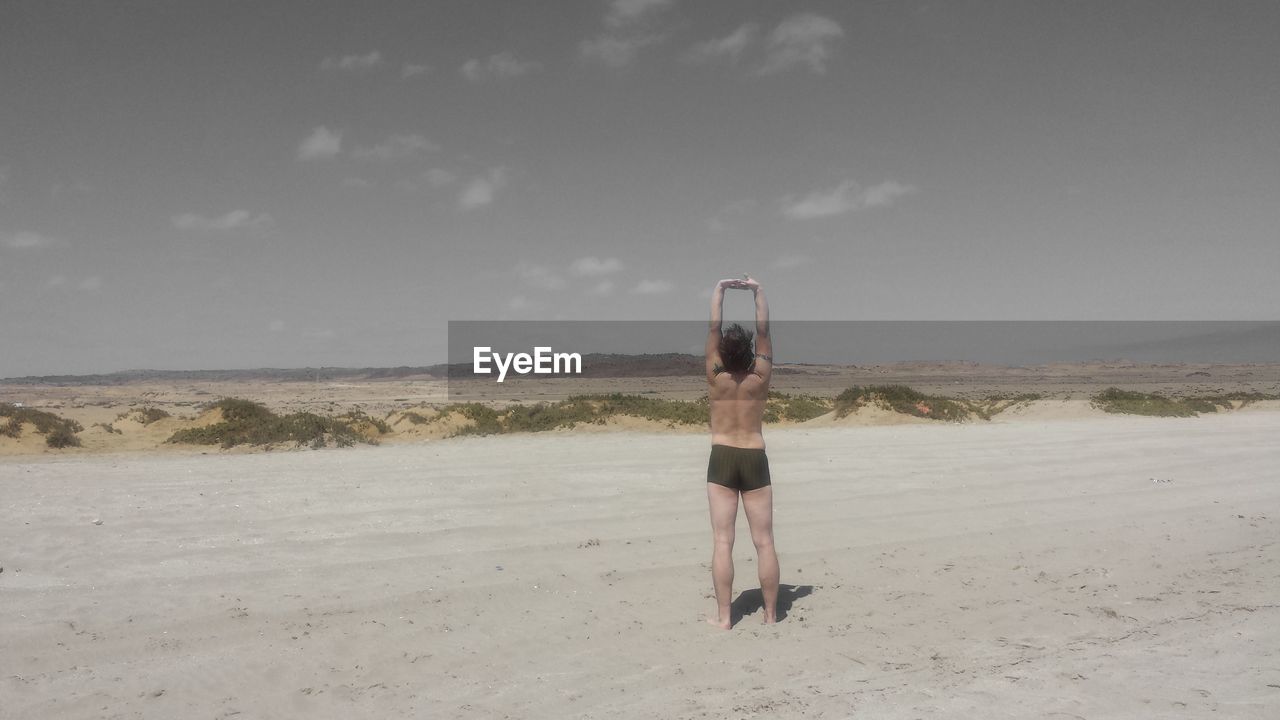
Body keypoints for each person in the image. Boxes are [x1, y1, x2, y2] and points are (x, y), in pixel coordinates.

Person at [704, 275, 779, 629]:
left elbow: (713, 327)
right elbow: (764, 331)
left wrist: (719, 290)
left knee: (723, 541)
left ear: (722, 352)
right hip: (753, 456)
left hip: (722, 457)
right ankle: (769, 614)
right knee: (764, 542)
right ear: (749, 351)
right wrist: (757, 291)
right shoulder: (759, 377)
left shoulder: (715, 376)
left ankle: (724, 618)